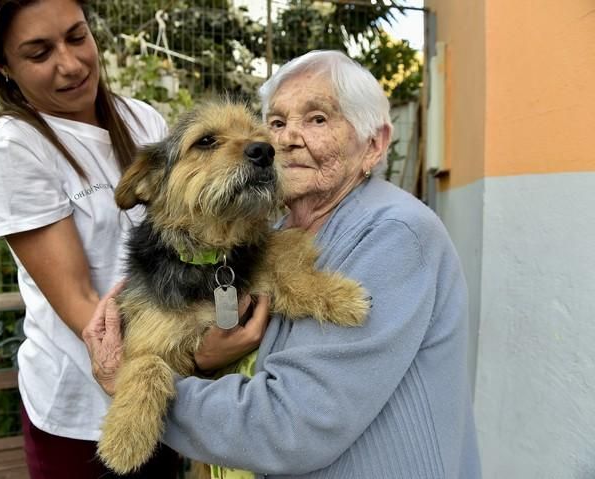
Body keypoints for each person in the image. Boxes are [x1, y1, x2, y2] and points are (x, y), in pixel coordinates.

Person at [85, 49, 481, 479]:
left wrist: (131, 387)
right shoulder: (264, 227)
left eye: (317, 119)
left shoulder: (396, 234)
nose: (284, 139)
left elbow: (292, 428)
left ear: (375, 144)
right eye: (275, 123)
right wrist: (197, 362)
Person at [0, 0, 180, 477]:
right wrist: (196, 354)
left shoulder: (143, 121)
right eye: (39, 53)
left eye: (77, 36)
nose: (71, 64)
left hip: (166, 389)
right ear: (2, 64)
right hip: (84, 413)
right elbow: (83, 302)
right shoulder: (13, 148)